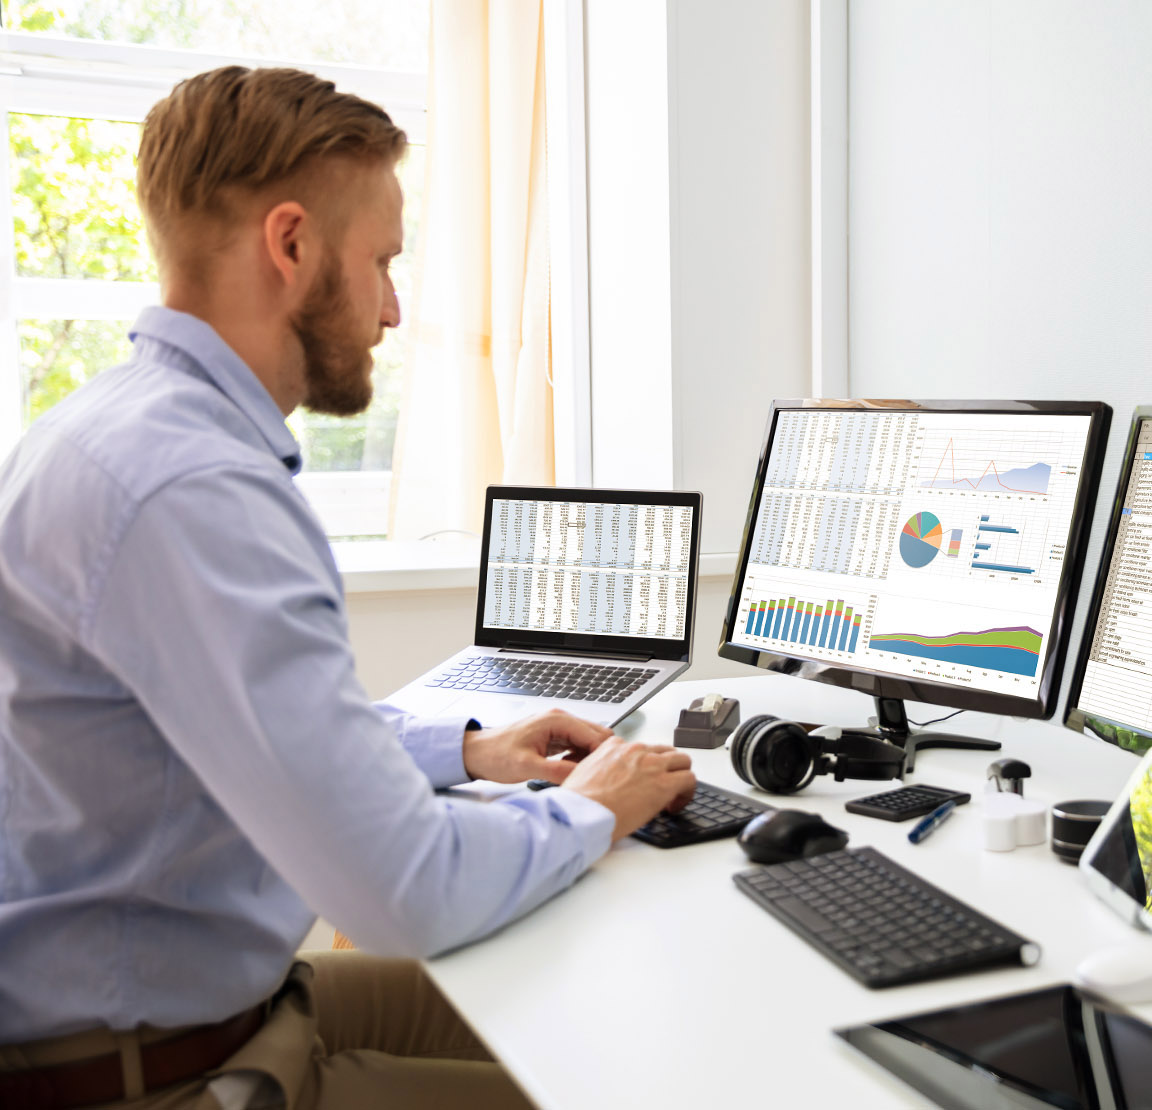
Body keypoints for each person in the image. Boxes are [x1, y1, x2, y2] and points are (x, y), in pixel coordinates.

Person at [0, 66, 695, 1110]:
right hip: (160, 1071)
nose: (392, 306)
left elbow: (229, 731)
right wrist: (592, 811)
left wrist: (463, 751)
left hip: (206, 1005)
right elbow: (404, 890)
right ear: (290, 245)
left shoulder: (108, 429)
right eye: (380, 262)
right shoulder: (195, 491)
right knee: (636, 1080)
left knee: (590, 1011)